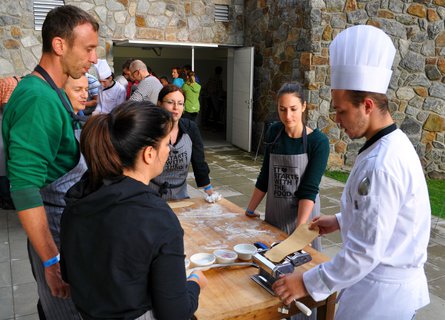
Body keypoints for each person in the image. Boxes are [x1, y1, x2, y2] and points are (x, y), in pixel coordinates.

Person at [272, 25, 431, 320]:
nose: (337, 119)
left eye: (342, 111)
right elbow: (384, 216)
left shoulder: (381, 164)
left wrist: (304, 282)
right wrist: (341, 220)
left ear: (367, 105)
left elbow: (364, 253)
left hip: (380, 298)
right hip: (381, 289)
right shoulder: (389, 143)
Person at [60, 102, 207, 320]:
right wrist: (195, 283)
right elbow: (174, 313)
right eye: (167, 144)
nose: (169, 150)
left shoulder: (79, 198)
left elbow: (68, 273)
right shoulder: (158, 219)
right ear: (149, 154)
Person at [2, 5, 99, 319]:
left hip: (66, 225)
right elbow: (25, 187)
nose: (94, 58)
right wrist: (51, 262)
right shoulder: (38, 98)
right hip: (54, 231)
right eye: (89, 49)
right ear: (60, 45)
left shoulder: (50, 91)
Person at [245, 82, 329, 250]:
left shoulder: (318, 142)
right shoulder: (274, 133)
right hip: (276, 213)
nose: (288, 116)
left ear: (303, 106)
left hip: (304, 216)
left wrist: (299, 231)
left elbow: (309, 189)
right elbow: (265, 175)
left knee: (301, 268)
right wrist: (249, 210)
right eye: (282, 109)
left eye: (293, 109)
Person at [149, 84, 221, 203]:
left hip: (180, 195)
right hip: (152, 194)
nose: (175, 107)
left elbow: (199, 161)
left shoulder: (190, 128)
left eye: (180, 103)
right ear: (159, 103)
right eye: (170, 102)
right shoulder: (149, 128)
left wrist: (209, 191)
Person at [0, 76, 21, 210]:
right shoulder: (11, 84)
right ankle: (5, 200)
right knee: (2, 166)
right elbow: (6, 107)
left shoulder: (12, 82)